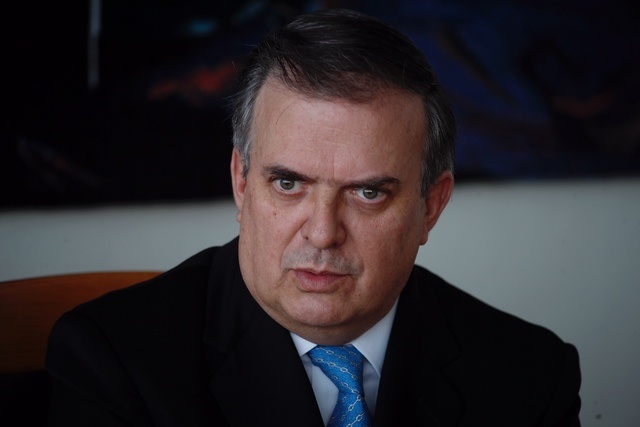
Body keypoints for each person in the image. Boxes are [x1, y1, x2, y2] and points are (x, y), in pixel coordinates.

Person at [46, 8, 581, 426]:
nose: (323, 233)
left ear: (431, 206)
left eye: (368, 193)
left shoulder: (529, 375)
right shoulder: (114, 361)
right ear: (241, 182)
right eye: (288, 184)